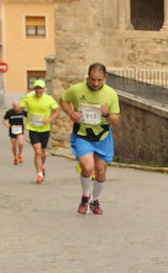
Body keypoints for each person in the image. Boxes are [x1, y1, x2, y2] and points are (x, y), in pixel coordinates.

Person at [58, 63, 120, 214]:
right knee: (87, 166)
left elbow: (116, 120)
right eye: (92, 79)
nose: (96, 83)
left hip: (102, 136)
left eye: (99, 80)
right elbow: (63, 100)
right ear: (88, 77)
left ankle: (95, 201)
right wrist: (70, 113)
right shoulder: (77, 89)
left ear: (105, 77)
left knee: (100, 172)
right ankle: (86, 196)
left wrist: (107, 114)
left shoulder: (111, 94)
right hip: (83, 135)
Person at [20, 79, 60, 183]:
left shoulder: (49, 99)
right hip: (33, 128)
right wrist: (17, 108)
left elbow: (56, 111)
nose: (38, 90)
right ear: (34, 89)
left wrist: (50, 119)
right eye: (37, 88)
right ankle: (39, 174)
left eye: (40, 88)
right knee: (37, 151)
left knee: (43, 152)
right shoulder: (28, 97)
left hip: (45, 129)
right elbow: (21, 107)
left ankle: (43, 166)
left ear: (43, 89)